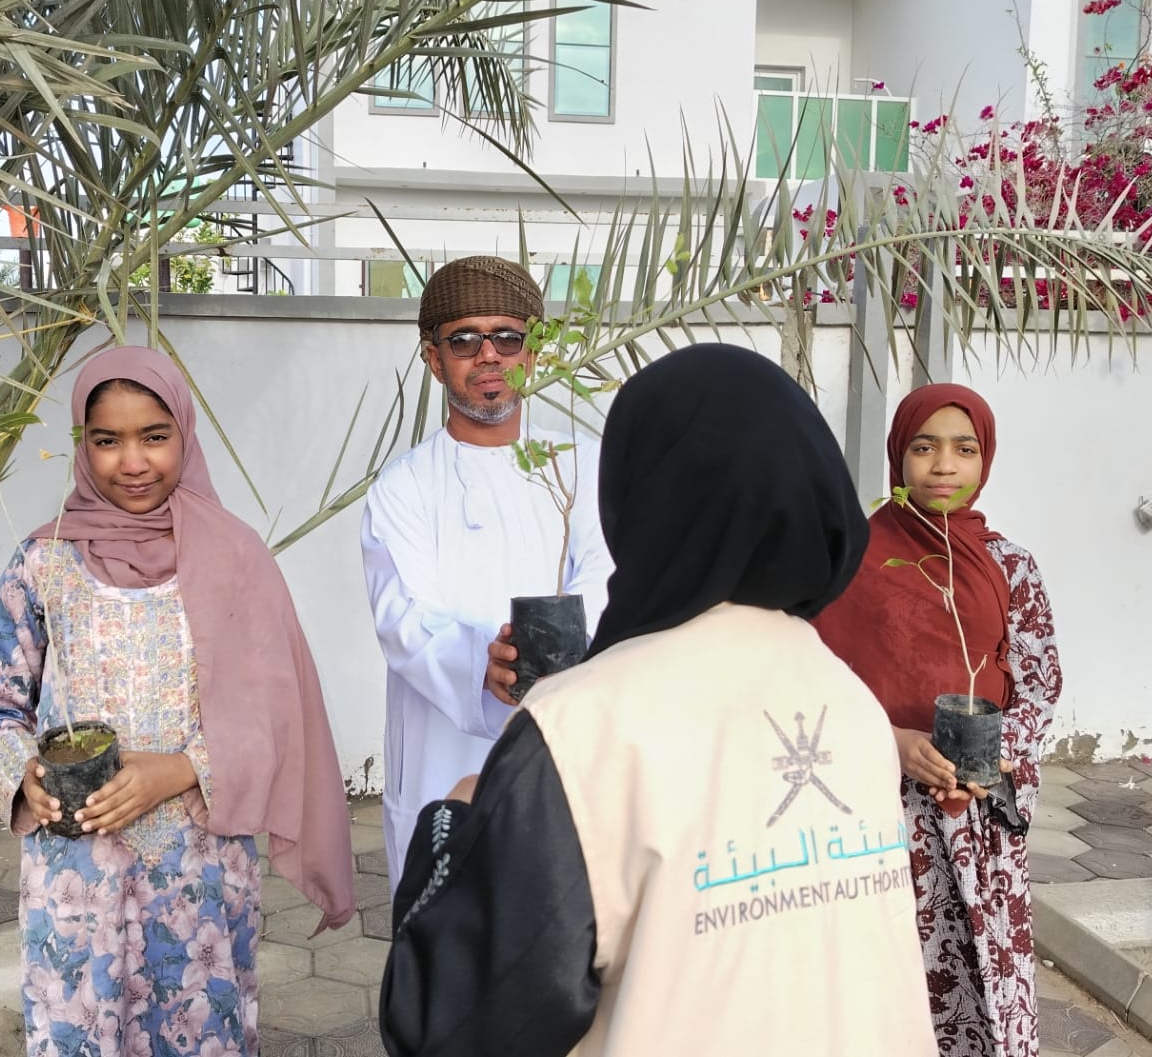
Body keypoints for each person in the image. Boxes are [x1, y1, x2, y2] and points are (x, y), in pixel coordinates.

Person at [378, 343, 939, 1057]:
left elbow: (449, 1022)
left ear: (641, 500)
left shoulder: (584, 729)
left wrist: (453, 820)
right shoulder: (848, 701)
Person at [0, 346, 355, 1057]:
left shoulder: (234, 558)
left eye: (153, 435)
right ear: (82, 445)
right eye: (107, 440)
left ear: (185, 433)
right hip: (76, 877)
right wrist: (22, 775)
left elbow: (276, 714)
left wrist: (176, 770)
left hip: (196, 872)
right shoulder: (42, 561)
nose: (133, 461)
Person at [814, 383, 1062, 1057]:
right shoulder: (851, 560)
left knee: (976, 974)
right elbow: (810, 682)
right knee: (880, 975)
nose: (944, 465)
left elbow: (1039, 679)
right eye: (924, 447)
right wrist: (888, 741)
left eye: (964, 449)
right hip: (874, 810)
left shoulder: (1010, 565)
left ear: (985, 459)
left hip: (975, 811)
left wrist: (998, 752)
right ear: (898, 455)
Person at [360, 255, 613, 891]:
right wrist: (485, 662)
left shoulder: (584, 465)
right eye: (465, 340)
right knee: (447, 923)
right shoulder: (404, 487)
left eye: (507, 336)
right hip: (441, 753)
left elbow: (609, 575)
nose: (489, 355)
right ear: (433, 358)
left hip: (568, 734)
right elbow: (403, 620)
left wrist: (563, 654)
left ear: (533, 351)